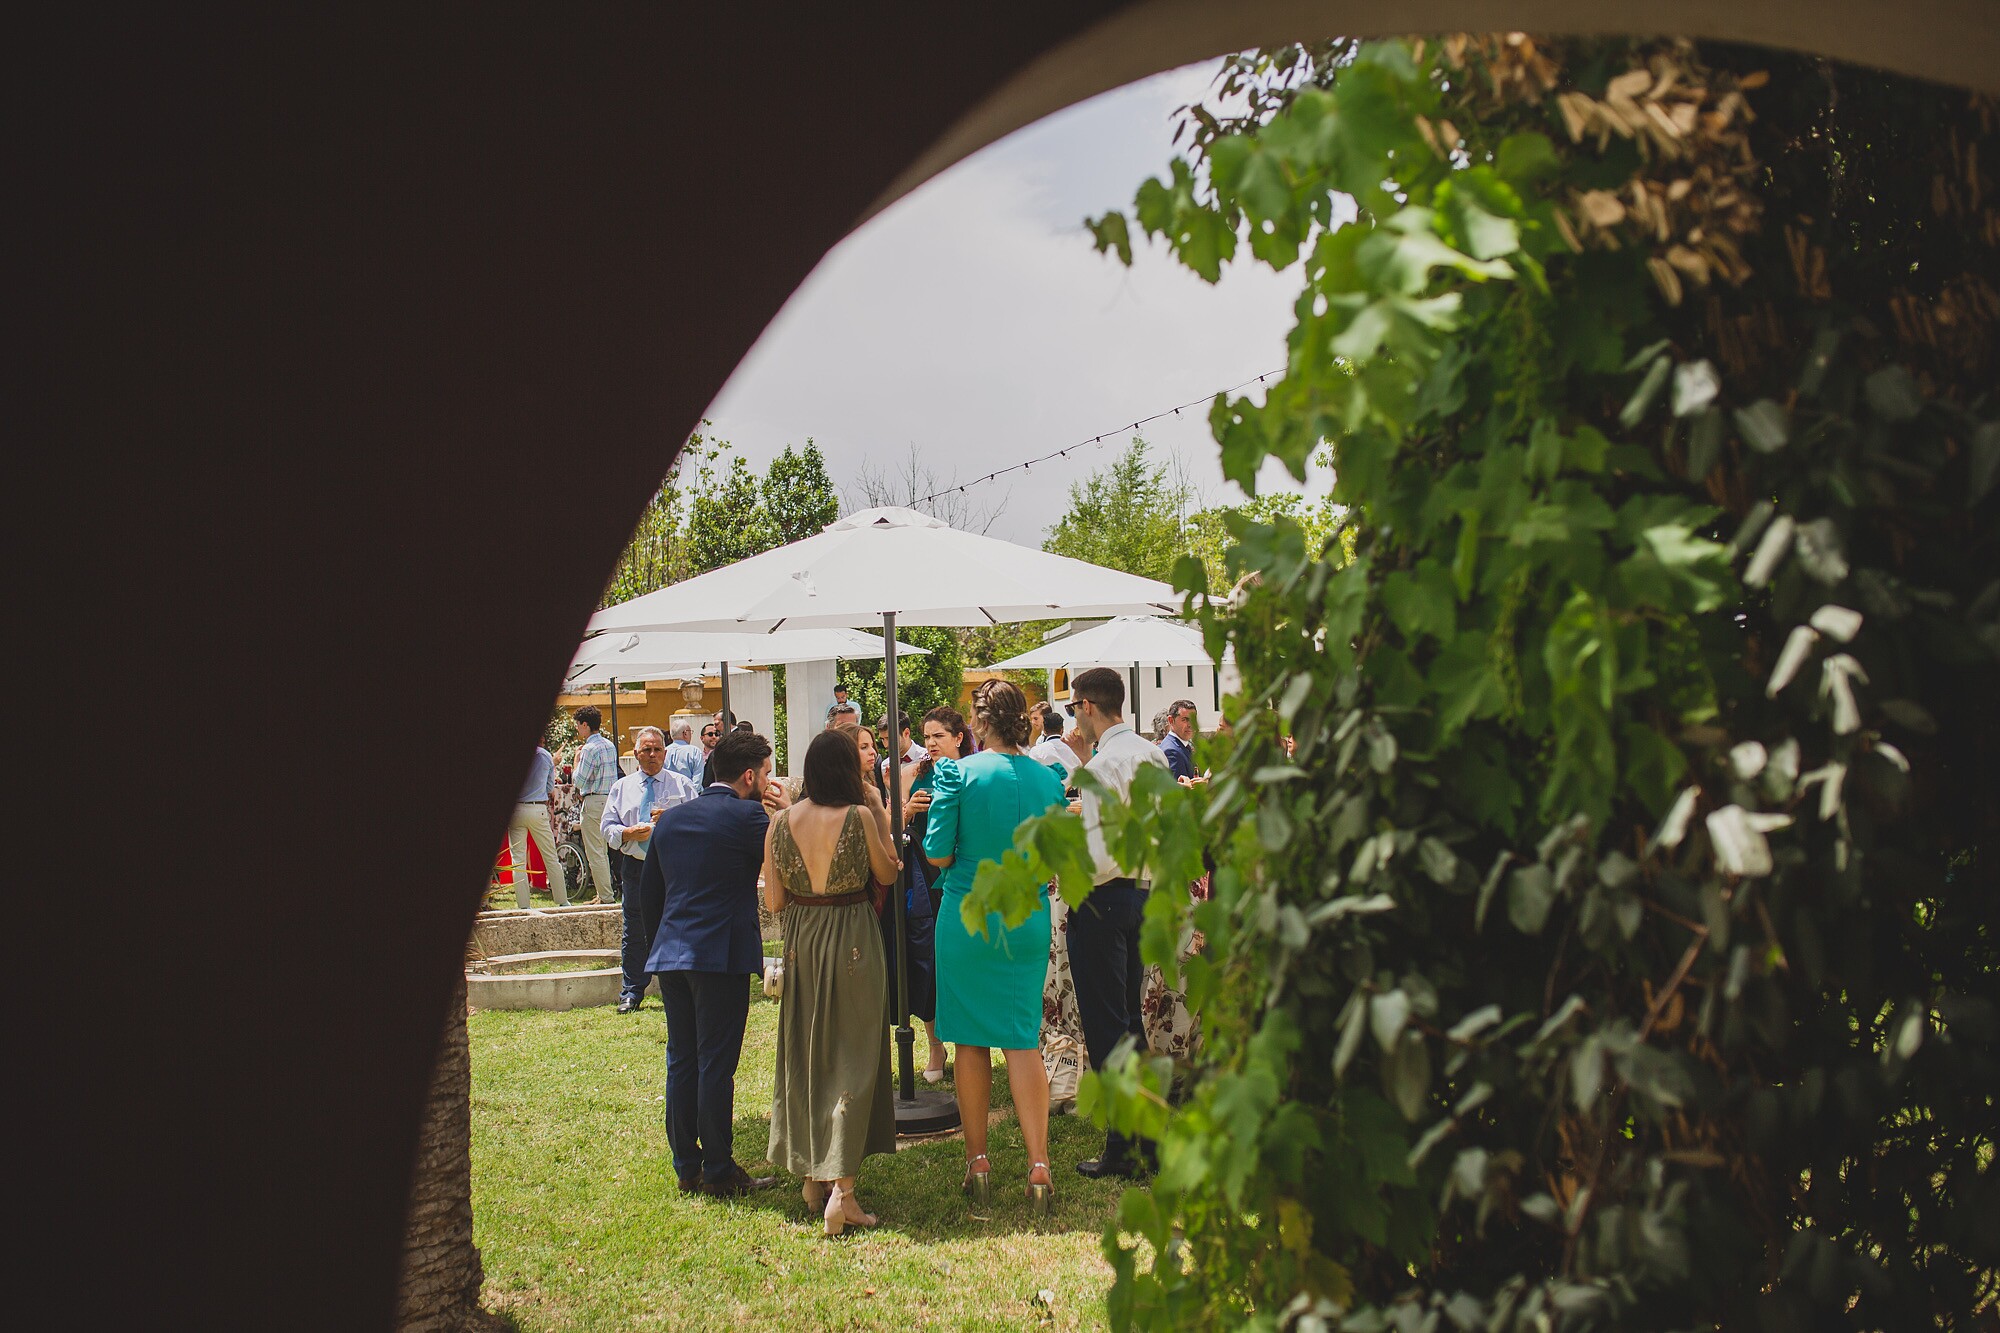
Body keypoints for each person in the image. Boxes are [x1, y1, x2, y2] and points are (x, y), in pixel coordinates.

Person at [924, 680, 1064, 1214]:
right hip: (1026, 915)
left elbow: (936, 854)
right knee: (1022, 1036)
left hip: (966, 916)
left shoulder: (957, 774)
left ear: (979, 723)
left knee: (969, 1042)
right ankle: (1039, 1167)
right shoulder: (1049, 780)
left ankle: (978, 1161)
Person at [761, 728, 901, 1235]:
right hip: (852, 939)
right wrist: (883, 824)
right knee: (853, 1055)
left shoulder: (778, 823)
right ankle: (842, 1192)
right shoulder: (861, 815)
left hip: (802, 940)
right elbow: (886, 875)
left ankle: (810, 1175)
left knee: (807, 1051)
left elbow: (774, 902)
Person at [642, 729, 789, 1197]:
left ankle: (687, 1164)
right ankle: (720, 1169)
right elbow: (786, 863)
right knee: (716, 1064)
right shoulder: (749, 816)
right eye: (766, 772)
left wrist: (661, 944)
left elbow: (649, 895)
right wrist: (783, 812)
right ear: (750, 775)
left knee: (681, 1060)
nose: (768, 779)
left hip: (671, 952)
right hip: (720, 955)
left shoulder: (671, 819)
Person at [1062, 666, 1170, 1179]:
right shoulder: (1152, 753)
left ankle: (1128, 1147)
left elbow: (1099, 855)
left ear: (1086, 706)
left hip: (1103, 900)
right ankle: (1142, 1141)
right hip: (1142, 894)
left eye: (1072, 709)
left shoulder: (1104, 765)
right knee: (1128, 1022)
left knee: (1109, 1032)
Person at [601, 727, 699, 1013]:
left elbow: (699, 822)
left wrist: (672, 817)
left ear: (665, 752)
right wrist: (628, 833)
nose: (652, 755)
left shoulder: (682, 786)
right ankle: (632, 991)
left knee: (681, 924)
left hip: (675, 866)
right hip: (637, 866)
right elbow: (607, 827)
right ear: (636, 754)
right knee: (635, 927)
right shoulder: (622, 788)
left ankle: (683, 987)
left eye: (657, 749)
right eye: (646, 750)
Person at [507, 741, 570, 908]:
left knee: (518, 859)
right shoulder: (545, 755)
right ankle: (562, 901)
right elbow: (550, 787)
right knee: (550, 856)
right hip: (537, 808)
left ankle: (523, 905)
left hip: (517, 809)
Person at [570, 706, 619, 905]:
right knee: (603, 851)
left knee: (595, 851)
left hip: (593, 800)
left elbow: (579, 781)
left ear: (585, 725)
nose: (577, 730)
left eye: (577, 726)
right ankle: (603, 893)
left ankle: (606, 897)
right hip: (610, 799)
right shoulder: (609, 745)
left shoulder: (588, 749)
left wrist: (576, 761)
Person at [1026, 701, 1074, 781]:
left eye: (1036, 718)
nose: (1033, 722)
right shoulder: (1040, 740)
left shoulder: (1065, 739)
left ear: (1045, 717)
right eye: (1032, 719)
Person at [1159, 699, 1198, 783]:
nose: (1190, 724)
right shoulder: (1172, 751)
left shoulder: (1182, 745)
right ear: (1171, 720)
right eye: (1185, 719)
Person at [662, 718, 706, 785]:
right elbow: (697, 779)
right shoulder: (695, 751)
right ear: (685, 733)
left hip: (669, 792)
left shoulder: (664, 751)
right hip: (690, 792)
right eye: (690, 732)